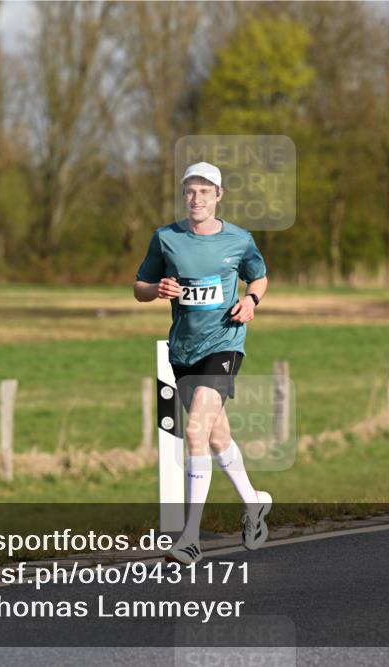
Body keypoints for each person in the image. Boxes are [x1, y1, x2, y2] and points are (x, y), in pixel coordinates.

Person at [134, 161, 272, 564]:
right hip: (184, 351)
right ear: (184, 195)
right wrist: (156, 289)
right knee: (215, 436)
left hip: (225, 344)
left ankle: (190, 537)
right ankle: (253, 502)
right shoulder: (166, 238)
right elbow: (139, 287)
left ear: (218, 196)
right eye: (191, 191)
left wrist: (251, 300)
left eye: (205, 191)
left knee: (195, 430)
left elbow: (259, 277)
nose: (197, 198)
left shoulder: (239, 240)